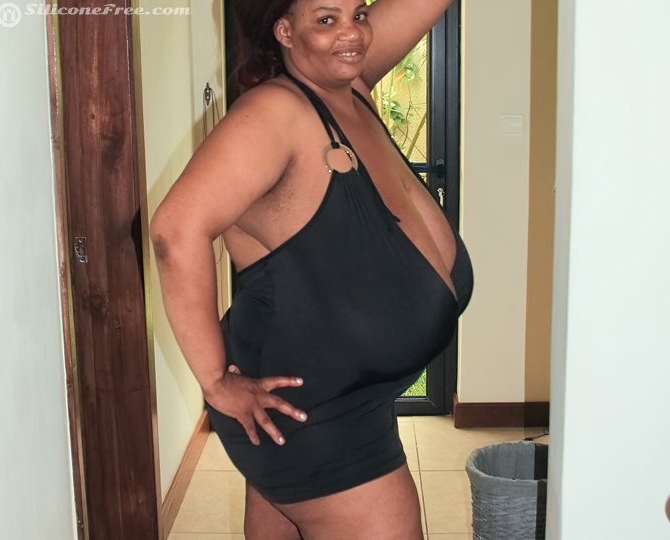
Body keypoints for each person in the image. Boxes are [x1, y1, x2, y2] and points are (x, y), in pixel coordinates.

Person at [150, 0, 473, 538]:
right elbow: (174, 230)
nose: (352, 32)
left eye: (358, 13)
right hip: (313, 419)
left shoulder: (347, 89)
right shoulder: (278, 113)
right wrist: (215, 381)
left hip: (348, 399)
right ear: (284, 30)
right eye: (326, 19)